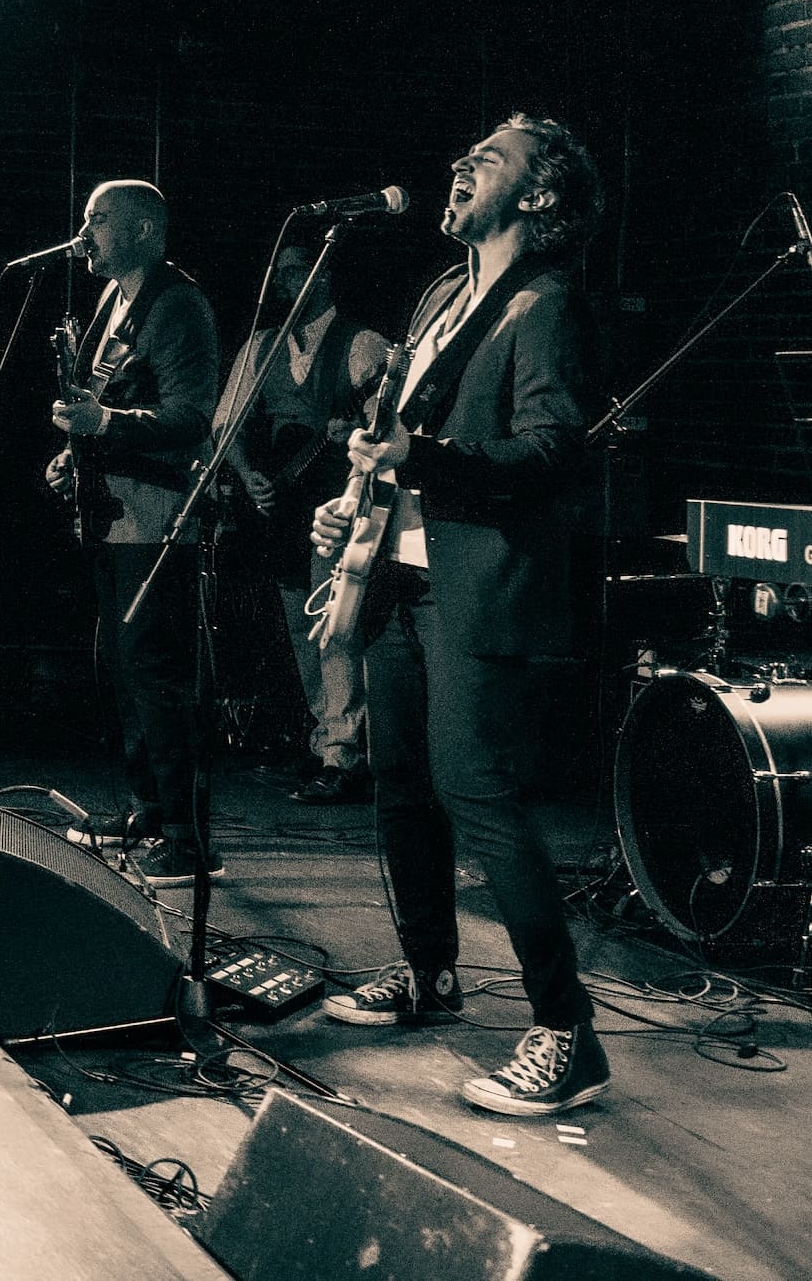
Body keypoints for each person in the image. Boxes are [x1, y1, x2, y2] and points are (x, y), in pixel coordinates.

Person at [313, 114, 611, 1117]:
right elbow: (392, 435)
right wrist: (352, 502)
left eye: (487, 159)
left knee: (474, 788)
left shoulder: (545, 302)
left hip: (474, 584)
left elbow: (553, 447)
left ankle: (567, 1032)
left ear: (539, 194)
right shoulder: (444, 292)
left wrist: (424, 461)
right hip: (395, 571)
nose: (459, 165)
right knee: (400, 783)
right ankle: (429, 974)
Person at [47, 178, 221, 889]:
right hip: (112, 512)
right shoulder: (113, 300)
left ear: (144, 230)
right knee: (125, 670)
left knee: (157, 673)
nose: (83, 235)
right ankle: (148, 810)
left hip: (155, 518)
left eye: (98, 221)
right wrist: (77, 451)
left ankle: (186, 837)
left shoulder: (176, 303)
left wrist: (105, 424)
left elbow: (193, 416)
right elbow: (106, 400)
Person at [214, 243, 390, 804]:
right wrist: (248, 475)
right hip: (282, 509)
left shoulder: (362, 344)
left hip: (340, 509)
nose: (284, 282)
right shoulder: (261, 346)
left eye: (296, 272)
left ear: (325, 276)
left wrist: (354, 436)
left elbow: (389, 427)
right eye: (280, 273)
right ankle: (322, 742)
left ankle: (345, 754)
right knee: (299, 627)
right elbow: (225, 423)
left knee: (333, 627)